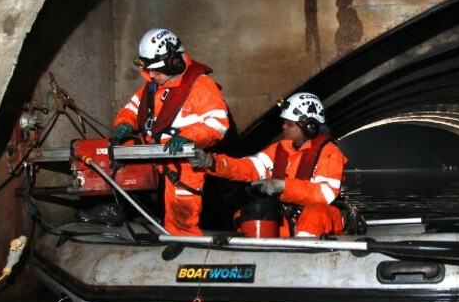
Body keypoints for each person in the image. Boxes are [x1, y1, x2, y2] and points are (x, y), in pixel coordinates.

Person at [112, 28, 230, 235]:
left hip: (182, 164)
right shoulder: (151, 86)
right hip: (153, 159)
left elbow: (217, 124)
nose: (151, 76)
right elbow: (132, 109)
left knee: (181, 220)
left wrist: (186, 137)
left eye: (156, 71)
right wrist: (124, 123)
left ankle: (184, 248)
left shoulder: (201, 86)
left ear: (174, 63)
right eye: (149, 71)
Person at [188, 92, 347, 237]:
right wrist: (211, 162)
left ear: (309, 127)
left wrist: (283, 187)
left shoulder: (329, 152)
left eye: (289, 124)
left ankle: (301, 255)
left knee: (314, 214)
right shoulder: (279, 149)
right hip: (290, 217)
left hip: (322, 217)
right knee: (248, 214)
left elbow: (323, 195)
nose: (283, 127)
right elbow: (248, 167)